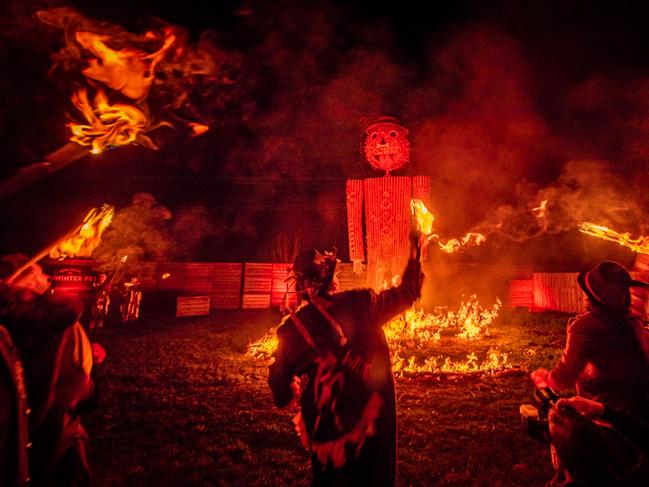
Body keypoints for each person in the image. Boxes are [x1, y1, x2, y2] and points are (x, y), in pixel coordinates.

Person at [268, 227, 425, 487]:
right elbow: (408, 292)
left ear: (300, 286)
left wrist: (293, 391)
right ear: (332, 277)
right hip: (369, 427)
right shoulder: (361, 303)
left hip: (326, 434)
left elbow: (279, 388)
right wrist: (416, 251)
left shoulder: (290, 330)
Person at [531, 261, 649, 485]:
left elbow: (564, 376)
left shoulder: (586, 326)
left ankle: (567, 476)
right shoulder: (634, 320)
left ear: (590, 295)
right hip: (641, 420)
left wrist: (542, 379)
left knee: (563, 423)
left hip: (606, 421)